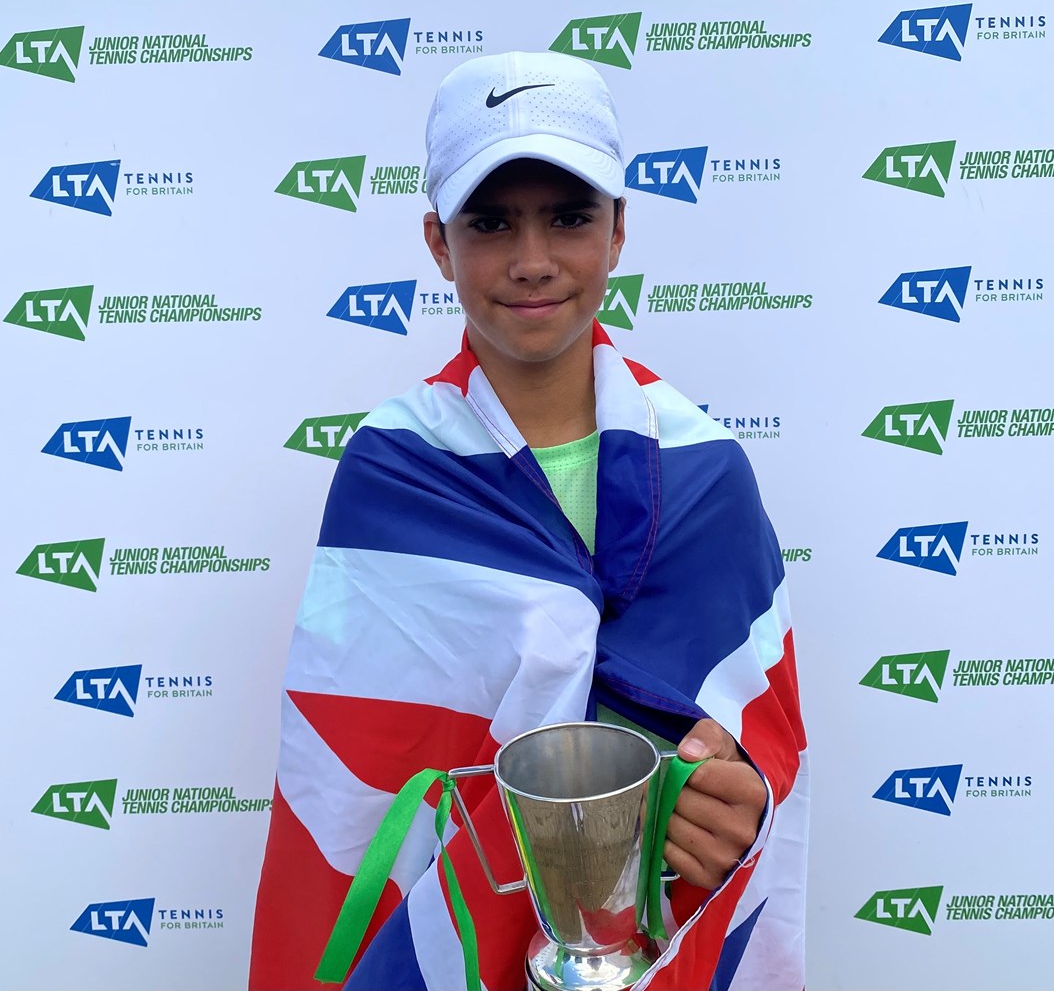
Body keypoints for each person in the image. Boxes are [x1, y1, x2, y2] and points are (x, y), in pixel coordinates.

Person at [250, 51, 808, 991]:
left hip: (654, 943)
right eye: (492, 222)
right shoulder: (393, 474)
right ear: (438, 241)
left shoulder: (707, 469)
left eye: (570, 217)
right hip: (453, 947)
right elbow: (350, 785)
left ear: (620, 229)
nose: (534, 260)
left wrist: (734, 794)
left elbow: (765, 736)